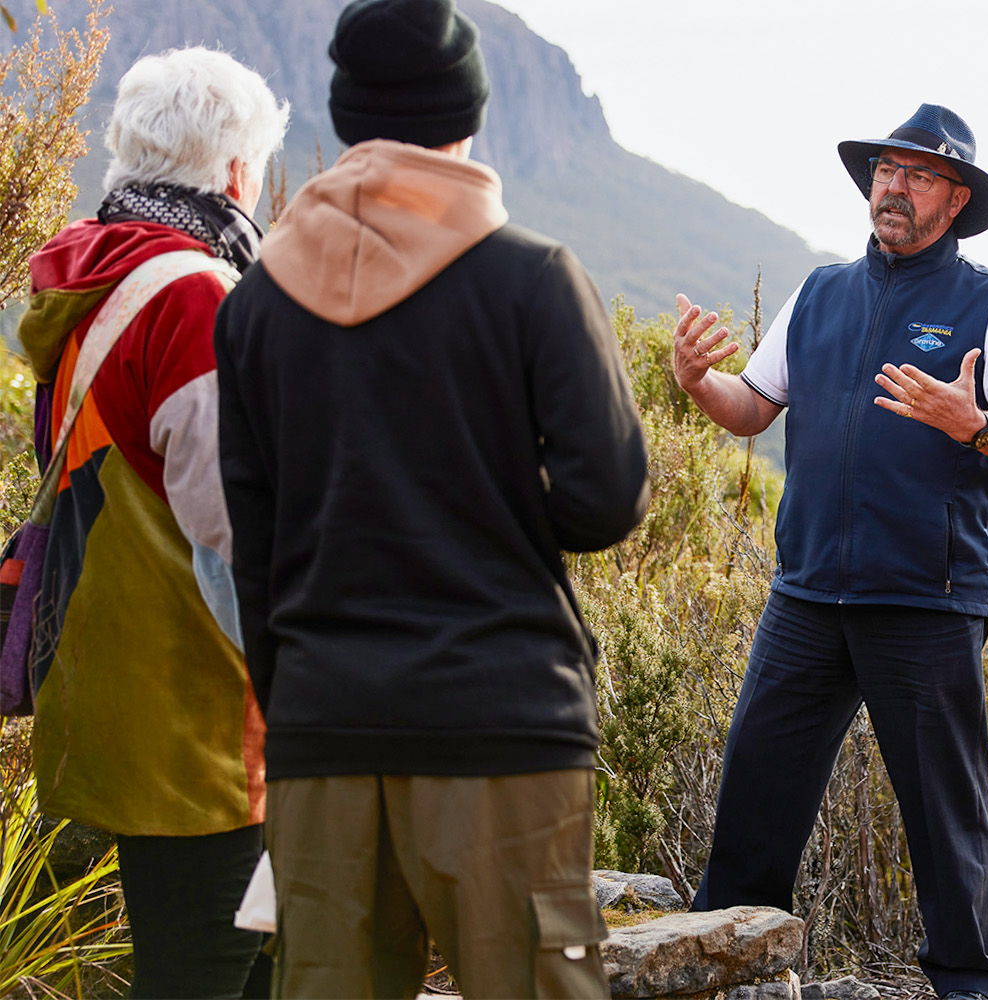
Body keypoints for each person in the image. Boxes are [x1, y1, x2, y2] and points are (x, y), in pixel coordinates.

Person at [212, 0, 650, 996]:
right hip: (502, 729)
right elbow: (606, 498)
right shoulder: (533, 280)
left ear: (349, 118)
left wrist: (302, 711)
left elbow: (257, 549)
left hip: (326, 734)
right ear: (468, 119)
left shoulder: (256, 307)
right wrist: (493, 504)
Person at [673, 104, 988, 1000]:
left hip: (926, 599)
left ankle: (965, 987)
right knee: (755, 805)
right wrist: (698, 379)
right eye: (887, 169)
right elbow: (752, 406)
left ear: (956, 199)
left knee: (942, 820)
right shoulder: (821, 293)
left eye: (920, 174)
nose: (895, 185)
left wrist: (975, 425)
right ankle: (718, 976)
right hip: (806, 596)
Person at [17, 47, 286, 999]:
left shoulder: (88, 281)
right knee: (208, 969)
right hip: (205, 726)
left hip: (113, 687)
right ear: (234, 173)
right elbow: (237, 535)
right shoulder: (194, 297)